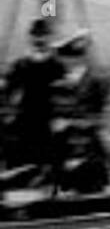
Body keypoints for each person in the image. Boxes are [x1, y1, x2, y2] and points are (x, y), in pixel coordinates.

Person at [48, 30, 110, 194]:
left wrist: (69, 123)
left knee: (90, 197)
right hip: (63, 151)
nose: (65, 63)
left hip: (88, 152)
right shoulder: (60, 83)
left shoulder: (96, 83)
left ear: (77, 57)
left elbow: (97, 120)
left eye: (67, 58)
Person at [3, 19, 66, 177]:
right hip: (24, 118)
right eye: (36, 36)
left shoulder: (56, 66)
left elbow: (64, 96)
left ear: (49, 38)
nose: (39, 40)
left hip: (47, 120)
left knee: (45, 162)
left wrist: (59, 117)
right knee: (18, 162)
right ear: (30, 38)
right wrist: (8, 113)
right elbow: (8, 89)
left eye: (43, 36)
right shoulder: (21, 64)